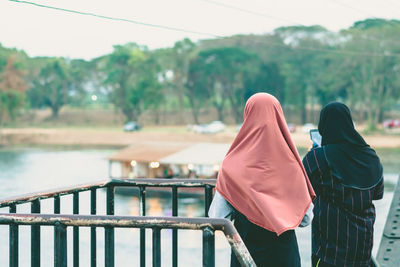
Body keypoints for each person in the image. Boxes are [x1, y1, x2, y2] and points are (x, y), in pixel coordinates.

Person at [215, 93, 315, 267]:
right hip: (285, 257)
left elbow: (218, 216)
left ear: (247, 117)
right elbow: (306, 219)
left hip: (245, 256)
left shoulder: (231, 166)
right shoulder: (291, 165)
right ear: (279, 116)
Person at [302, 102, 384, 267]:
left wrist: (314, 152)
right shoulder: (370, 157)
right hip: (361, 252)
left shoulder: (317, 158)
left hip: (328, 253)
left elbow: (302, 190)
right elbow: (378, 193)